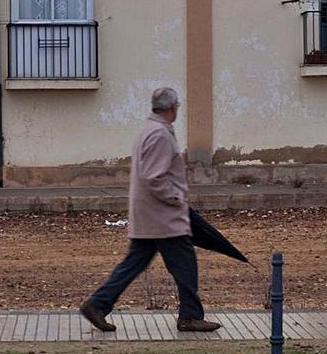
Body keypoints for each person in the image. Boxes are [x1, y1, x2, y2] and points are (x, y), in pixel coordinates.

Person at [79, 87, 221, 333]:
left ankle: (97, 304)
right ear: (172, 107)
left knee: (134, 262)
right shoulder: (159, 134)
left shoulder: (149, 129)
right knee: (185, 263)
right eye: (177, 106)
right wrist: (176, 197)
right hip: (163, 216)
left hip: (150, 214)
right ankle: (190, 316)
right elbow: (154, 177)